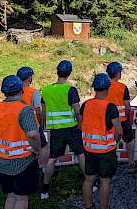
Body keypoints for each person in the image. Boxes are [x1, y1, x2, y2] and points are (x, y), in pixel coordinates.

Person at [0, 76, 41, 209]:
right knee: (22, 199)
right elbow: (33, 134)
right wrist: (38, 149)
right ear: (22, 90)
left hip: (2, 162)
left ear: (4, 92)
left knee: (11, 196)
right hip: (23, 162)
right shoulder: (25, 110)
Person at [40, 60, 85, 200]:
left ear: (57, 72)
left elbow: (43, 111)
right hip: (71, 128)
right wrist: (80, 125)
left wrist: (44, 126)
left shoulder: (46, 90)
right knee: (81, 154)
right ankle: (90, 181)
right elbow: (77, 111)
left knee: (52, 159)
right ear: (69, 73)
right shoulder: (70, 89)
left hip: (56, 131)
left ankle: (45, 188)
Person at [80, 73, 123, 209]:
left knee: (89, 179)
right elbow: (119, 131)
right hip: (105, 150)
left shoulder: (86, 105)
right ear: (107, 88)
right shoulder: (110, 107)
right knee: (105, 181)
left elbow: (82, 124)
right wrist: (115, 140)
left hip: (89, 149)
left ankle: (89, 206)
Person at [105, 62, 137, 171]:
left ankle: (110, 164)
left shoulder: (104, 86)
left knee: (110, 141)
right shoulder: (122, 87)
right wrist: (127, 116)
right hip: (122, 119)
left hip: (108, 120)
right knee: (129, 140)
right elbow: (127, 106)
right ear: (118, 73)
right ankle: (131, 163)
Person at [16, 67, 50, 169]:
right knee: (44, 147)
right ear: (29, 78)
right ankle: (42, 167)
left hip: (18, 124)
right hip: (33, 124)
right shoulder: (34, 92)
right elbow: (38, 111)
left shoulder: (14, 91)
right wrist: (41, 124)